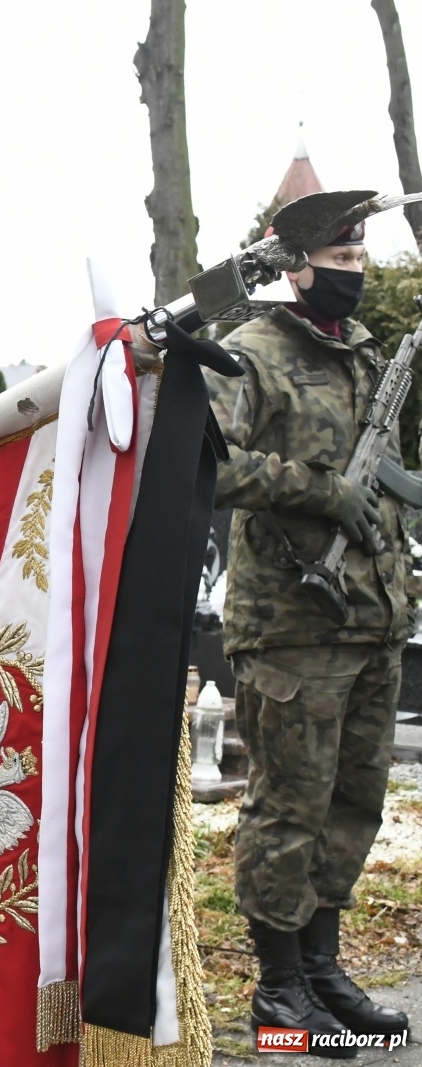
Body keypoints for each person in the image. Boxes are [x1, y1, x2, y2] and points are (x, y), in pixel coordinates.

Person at [208, 217, 412, 1050]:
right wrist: (319, 492)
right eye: (338, 259)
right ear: (295, 270)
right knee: (287, 809)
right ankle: (279, 986)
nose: (354, 272)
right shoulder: (250, 349)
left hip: (373, 618)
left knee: (352, 804)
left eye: (360, 257)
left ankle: (325, 971)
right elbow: (204, 461)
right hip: (290, 623)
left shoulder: (364, 350)